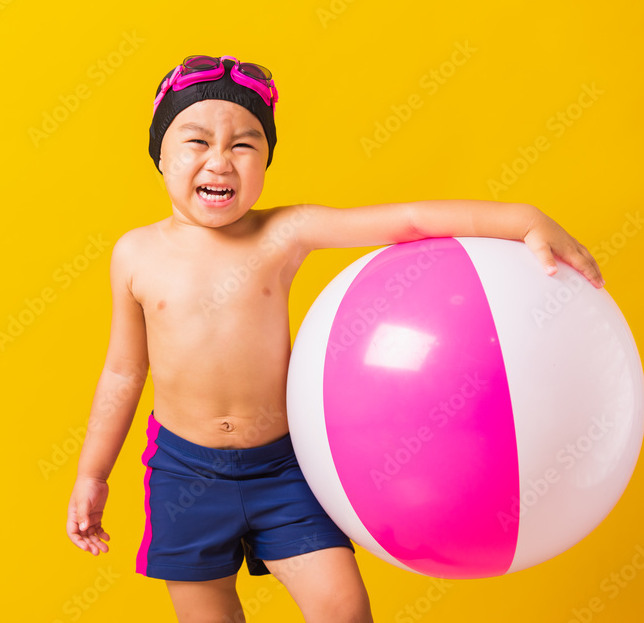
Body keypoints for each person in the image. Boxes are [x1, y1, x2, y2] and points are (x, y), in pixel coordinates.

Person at [65, 55, 604, 622]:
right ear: (159, 153)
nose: (220, 161)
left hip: (284, 466)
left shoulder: (283, 232)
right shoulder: (134, 254)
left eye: (244, 145)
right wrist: (92, 474)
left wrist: (522, 219)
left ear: (267, 159)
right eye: (196, 141)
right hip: (185, 474)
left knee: (343, 610)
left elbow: (409, 221)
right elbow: (124, 372)